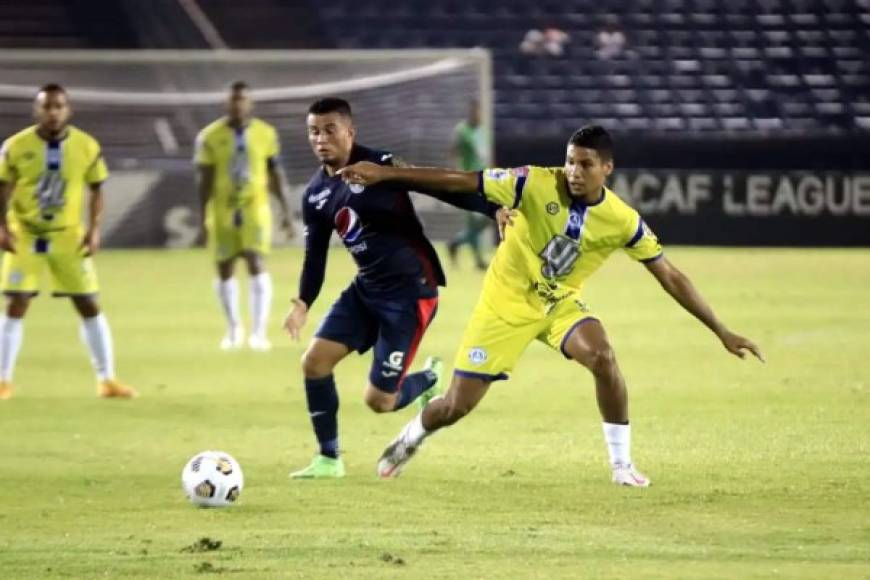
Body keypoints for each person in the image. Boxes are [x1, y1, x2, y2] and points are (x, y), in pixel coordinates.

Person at [338, 125, 764, 486]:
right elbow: (460, 181)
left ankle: (621, 465)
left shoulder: (622, 219)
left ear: (607, 169)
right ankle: (414, 433)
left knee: (602, 355)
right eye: (570, 161)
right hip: (504, 304)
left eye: (585, 164)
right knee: (456, 406)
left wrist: (721, 330)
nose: (574, 172)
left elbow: (669, 274)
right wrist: (387, 174)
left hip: (557, 304)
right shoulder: (532, 182)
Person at [284, 98, 506, 479]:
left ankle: (427, 379)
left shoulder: (381, 165)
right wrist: (303, 302)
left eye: (329, 130)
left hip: (410, 292)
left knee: (380, 402)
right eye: (314, 132)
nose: (321, 139)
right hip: (366, 289)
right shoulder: (316, 194)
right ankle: (329, 459)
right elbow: (314, 256)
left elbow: (442, 188)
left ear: (349, 132)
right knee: (314, 362)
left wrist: (491, 209)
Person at [0, 84, 136, 400]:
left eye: (58, 106)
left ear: (68, 110)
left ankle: (107, 380)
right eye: (46, 107)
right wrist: (3, 227)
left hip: (68, 235)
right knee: (16, 303)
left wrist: (95, 229)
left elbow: (98, 189)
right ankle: (3, 380)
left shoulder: (86, 146)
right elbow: (2, 187)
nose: (52, 112)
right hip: (26, 234)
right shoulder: (15, 146)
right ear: (38, 111)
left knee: (88, 303)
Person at [194, 81, 294, 351]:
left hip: (255, 208)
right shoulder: (209, 137)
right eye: (233, 100)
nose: (238, 105)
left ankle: (259, 333)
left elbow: (275, 174)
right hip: (222, 210)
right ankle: (234, 330)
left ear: (250, 103)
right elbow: (204, 180)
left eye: (242, 100)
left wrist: (286, 212)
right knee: (225, 268)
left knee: (255, 261)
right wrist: (202, 216)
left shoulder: (266, 134)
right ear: (226, 103)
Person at [447, 100, 490, 271]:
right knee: (475, 218)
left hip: (484, 180)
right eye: (476, 112)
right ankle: (478, 259)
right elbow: (453, 152)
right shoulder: (462, 130)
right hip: (468, 181)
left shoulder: (483, 131)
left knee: (487, 218)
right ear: (471, 112)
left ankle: (456, 243)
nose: (479, 115)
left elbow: (484, 156)